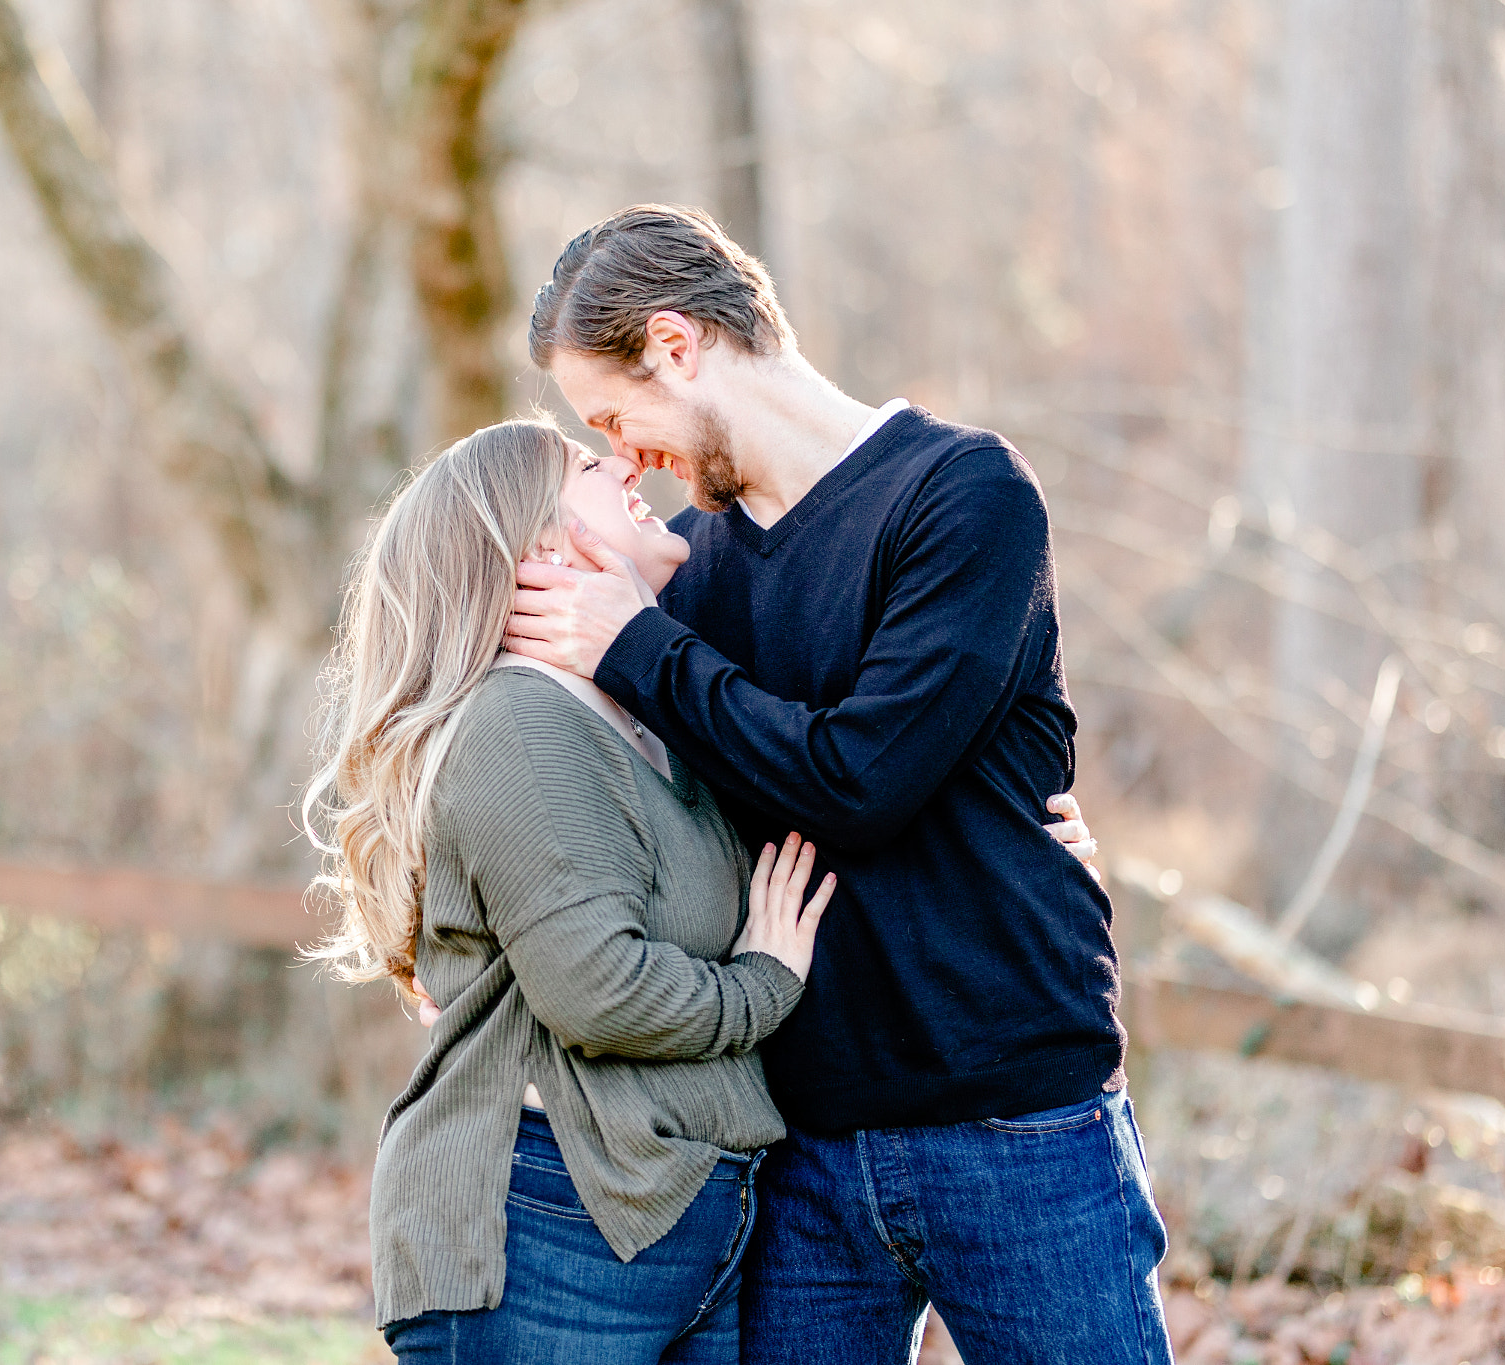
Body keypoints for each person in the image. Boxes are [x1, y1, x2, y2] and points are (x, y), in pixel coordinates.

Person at [502, 205, 1170, 1365]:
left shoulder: (959, 496)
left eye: (617, 416)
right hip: (800, 1139)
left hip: (1011, 1118)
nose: (624, 457)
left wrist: (636, 647)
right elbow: (640, 822)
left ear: (675, 343)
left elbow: (860, 781)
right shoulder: (687, 582)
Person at [303, 416, 1104, 1363]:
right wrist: (766, 979)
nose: (621, 461)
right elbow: (601, 991)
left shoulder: (648, 708)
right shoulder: (524, 721)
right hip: (554, 1230)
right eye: (583, 463)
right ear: (540, 544)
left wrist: (1021, 854)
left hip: (693, 1225)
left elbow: (829, 782)